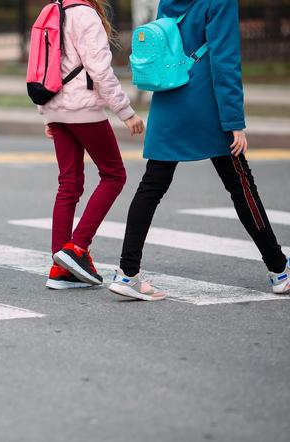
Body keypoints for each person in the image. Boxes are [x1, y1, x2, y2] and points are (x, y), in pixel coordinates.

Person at [109, 0, 290, 301]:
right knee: (241, 185)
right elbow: (225, 59)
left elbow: (167, 40)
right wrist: (234, 120)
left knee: (152, 185)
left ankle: (128, 273)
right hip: (206, 102)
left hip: (169, 98)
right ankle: (280, 271)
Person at [40, 0, 145, 290]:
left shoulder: (52, 10)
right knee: (114, 175)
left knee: (68, 183)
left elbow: (41, 66)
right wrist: (127, 112)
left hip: (55, 107)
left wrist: (47, 114)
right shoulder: (85, 14)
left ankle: (60, 269)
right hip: (83, 109)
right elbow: (100, 71)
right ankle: (76, 248)